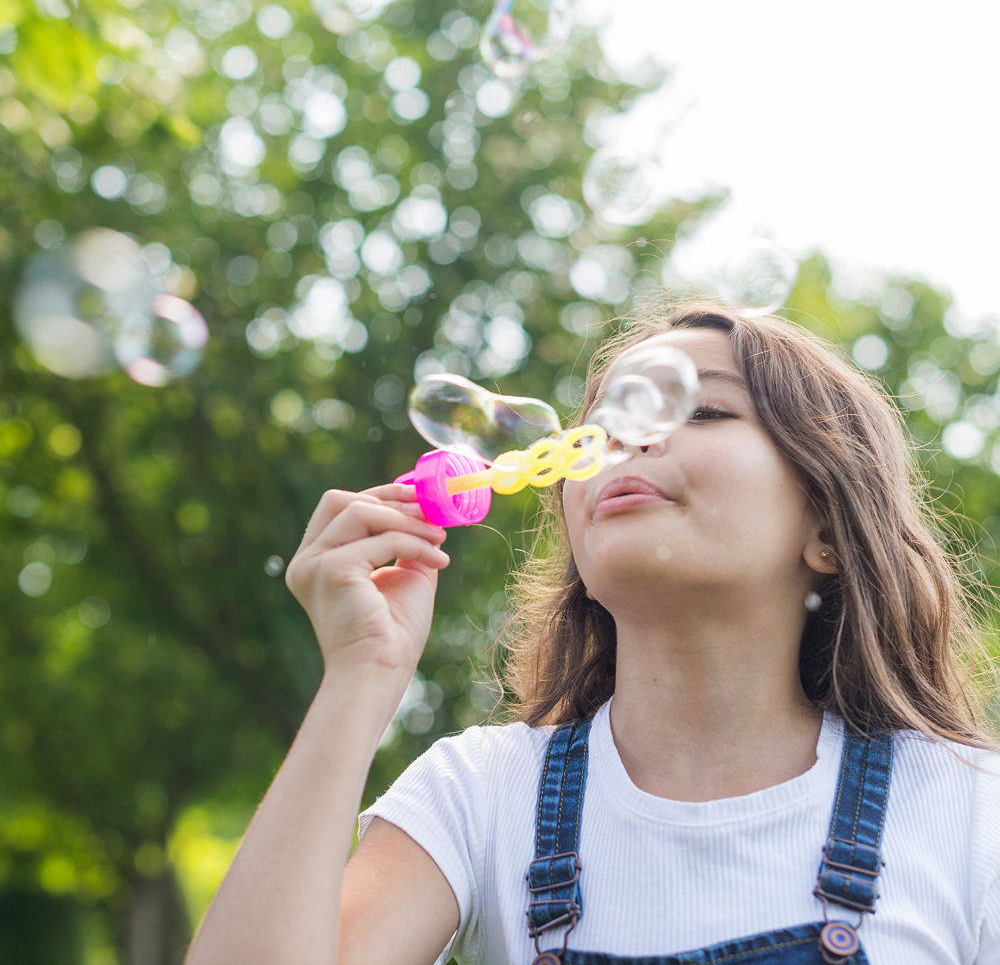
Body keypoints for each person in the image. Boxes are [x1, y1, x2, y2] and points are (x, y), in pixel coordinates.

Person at [186, 300, 1000, 965]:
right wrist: (360, 677)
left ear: (827, 525)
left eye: (704, 408)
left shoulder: (970, 811)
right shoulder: (481, 795)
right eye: (599, 429)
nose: (620, 444)